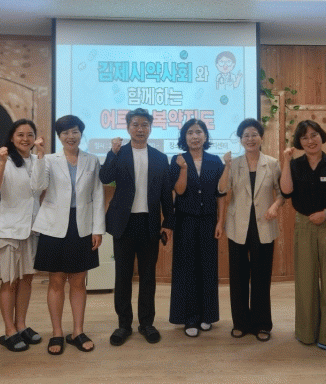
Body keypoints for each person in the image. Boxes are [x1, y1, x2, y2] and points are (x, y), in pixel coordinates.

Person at [30, 115, 105, 355]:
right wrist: (39, 155)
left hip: (82, 226)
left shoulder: (92, 160)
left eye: (75, 131)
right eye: (65, 133)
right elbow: (37, 186)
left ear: (81, 133)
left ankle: (77, 332)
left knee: (78, 281)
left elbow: (98, 195)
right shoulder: (49, 160)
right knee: (56, 281)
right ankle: (57, 332)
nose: (70, 136)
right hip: (54, 226)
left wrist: (98, 229)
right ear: (59, 136)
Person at [99, 108, 174, 346]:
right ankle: (124, 325)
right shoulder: (119, 153)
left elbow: (166, 194)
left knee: (148, 276)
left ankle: (146, 323)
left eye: (144, 125)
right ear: (128, 127)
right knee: (122, 276)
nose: (140, 129)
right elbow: (104, 177)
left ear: (150, 128)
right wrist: (112, 153)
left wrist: (168, 222)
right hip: (124, 223)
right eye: (135, 124)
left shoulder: (160, 158)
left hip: (149, 223)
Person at [280, 120, 326, 350]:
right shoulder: (295, 165)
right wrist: (286, 161)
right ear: (299, 142)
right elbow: (286, 191)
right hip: (304, 226)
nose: (310, 141)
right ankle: (306, 333)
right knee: (305, 281)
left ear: (321, 137)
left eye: (314, 135)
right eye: (304, 137)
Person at [218, 118, 284, 341]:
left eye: (254, 134)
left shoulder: (272, 163)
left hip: (264, 224)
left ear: (261, 137)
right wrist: (226, 166)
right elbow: (222, 189)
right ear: (240, 140)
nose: (250, 139)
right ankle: (240, 323)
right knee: (238, 277)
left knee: (261, 276)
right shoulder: (234, 164)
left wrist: (275, 205)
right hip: (238, 226)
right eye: (245, 135)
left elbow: (282, 193)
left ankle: (262, 324)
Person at [0, 119, 42, 352]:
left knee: (27, 280)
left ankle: (21, 325)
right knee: (9, 281)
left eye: (30, 135)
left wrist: (41, 156)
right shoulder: (4, 160)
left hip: (32, 229)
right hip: (9, 230)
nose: (25, 139)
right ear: (12, 137)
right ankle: (9, 329)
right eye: (20, 135)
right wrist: (1, 162)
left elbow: (42, 190)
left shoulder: (38, 161)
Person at [168, 119, 226, 337]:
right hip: (185, 221)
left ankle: (207, 315)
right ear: (184, 137)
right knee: (187, 269)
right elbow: (179, 191)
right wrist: (183, 169)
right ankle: (190, 318)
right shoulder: (177, 160)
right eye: (190, 132)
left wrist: (220, 222)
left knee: (208, 267)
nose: (195, 136)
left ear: (205, 136)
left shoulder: (215, 161)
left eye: (199, 132)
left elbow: (221, 194)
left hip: (209, 221)